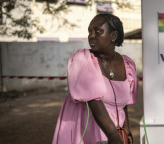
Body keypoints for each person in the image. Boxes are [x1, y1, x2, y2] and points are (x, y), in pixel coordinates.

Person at [52, 13, 138, 144]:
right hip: (86, 128)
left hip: (113, 132)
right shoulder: (83, 60)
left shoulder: (127, 64)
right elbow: (95, 102)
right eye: (90, 31)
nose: (91, 36)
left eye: (98, 31)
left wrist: (127, 130)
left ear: (113, 36)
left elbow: (123, 104)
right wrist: (113, 135)